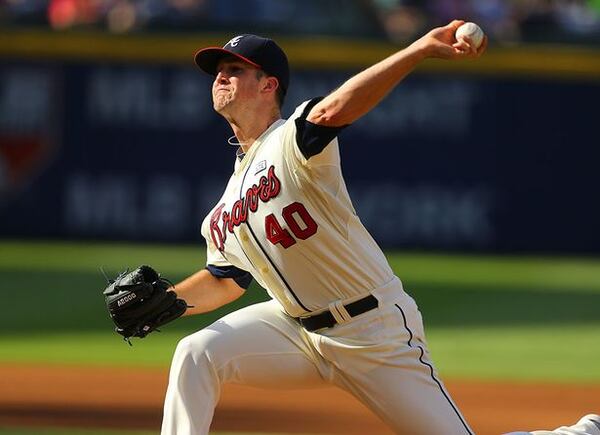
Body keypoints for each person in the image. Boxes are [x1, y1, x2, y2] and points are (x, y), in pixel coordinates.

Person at [159, 21, 598, 435]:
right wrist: (169, 301)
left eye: (235, 70)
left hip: (372, 331)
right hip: (296, 329)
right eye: (218, 72)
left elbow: (333, 110)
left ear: (268, 84)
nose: (221, 77)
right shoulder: (226, 205)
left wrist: (419, 49)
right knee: (196, 353)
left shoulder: (290, 140)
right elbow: (225, 281)